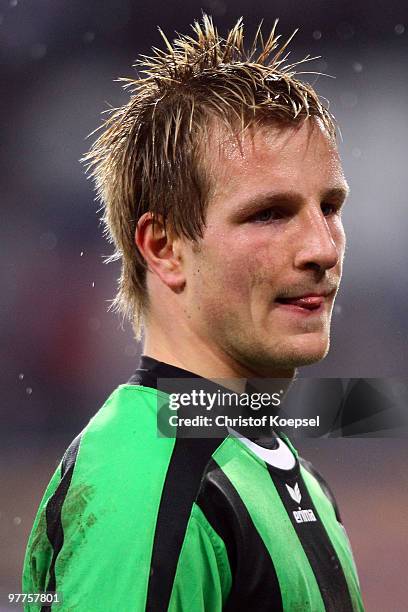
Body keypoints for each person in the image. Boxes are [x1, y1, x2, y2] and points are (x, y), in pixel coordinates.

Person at [23, 15, 365, 611]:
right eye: (269, 214)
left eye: (329, 206)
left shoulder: (277, 466)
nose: (322, 248)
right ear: (164, 248)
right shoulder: (147, 483)